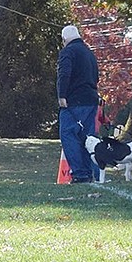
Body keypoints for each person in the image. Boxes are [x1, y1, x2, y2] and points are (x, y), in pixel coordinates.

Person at [57, 23, 99, 183]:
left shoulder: (67, 52)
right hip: (91, 99)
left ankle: (80, 173)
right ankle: (89, 172)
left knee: (68, 134)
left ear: (64, 39)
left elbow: (64, 74)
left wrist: (62, 96)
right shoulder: (89, 53)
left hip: (74, 101)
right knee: (87, 137)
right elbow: (96, 77)